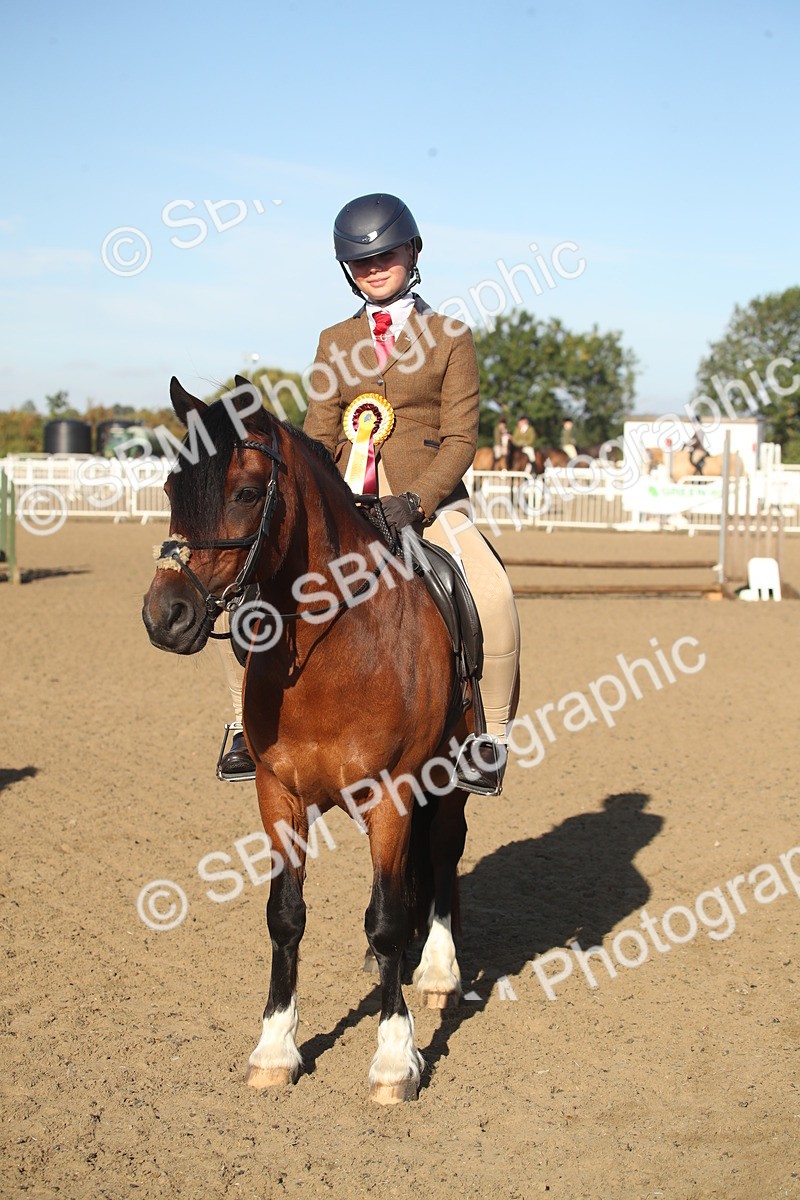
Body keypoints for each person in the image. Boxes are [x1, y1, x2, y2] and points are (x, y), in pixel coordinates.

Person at [218, 193, 521, 795]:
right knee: (248, 592)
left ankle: (489, 735)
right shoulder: (335, 340)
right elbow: (319, 432)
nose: (374, 268)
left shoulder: (451, 335)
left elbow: (462, 437)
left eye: (385, 255)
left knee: (491, 592)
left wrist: (417, 501)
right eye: (361, 262)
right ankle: (241, 729)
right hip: (342, 506)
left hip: (425, 501)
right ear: (346, 270)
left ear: (413, 253)